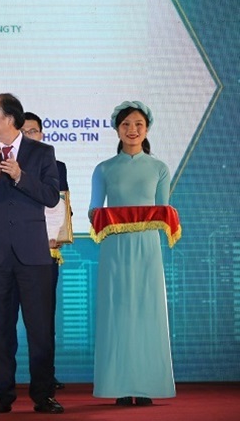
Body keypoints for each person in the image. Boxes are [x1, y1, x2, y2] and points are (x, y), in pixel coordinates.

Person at [0, 93, 64, 414]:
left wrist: (21, 176)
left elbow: (51, 196)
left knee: (41, 329)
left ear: (9, 119)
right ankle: (1, 394)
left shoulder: (42, 153)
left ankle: (44, 395)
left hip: (34, 256)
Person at [89, 101, 176, 406]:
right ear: (117, 129)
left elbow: (163, 210)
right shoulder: (103, 169)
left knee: (148, 311)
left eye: (138, 124)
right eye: (126, 124)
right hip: (114, 248)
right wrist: (103, 217)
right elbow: (94, 210)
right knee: (118, 312)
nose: (132, 130)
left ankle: (147, 385)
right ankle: (121, 386)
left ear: (147, 129)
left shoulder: (159, 168)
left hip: (148, 248)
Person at [22, 112, 69, 391]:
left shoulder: (57, 166)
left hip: (47, 251)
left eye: (34, 131)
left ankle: (45, 376)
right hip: (15, 251)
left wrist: (62, 231)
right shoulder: (6, 165)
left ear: (42, 134)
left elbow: (63, 204)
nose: (30, 137)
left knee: (45, 317)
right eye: (24, 132)